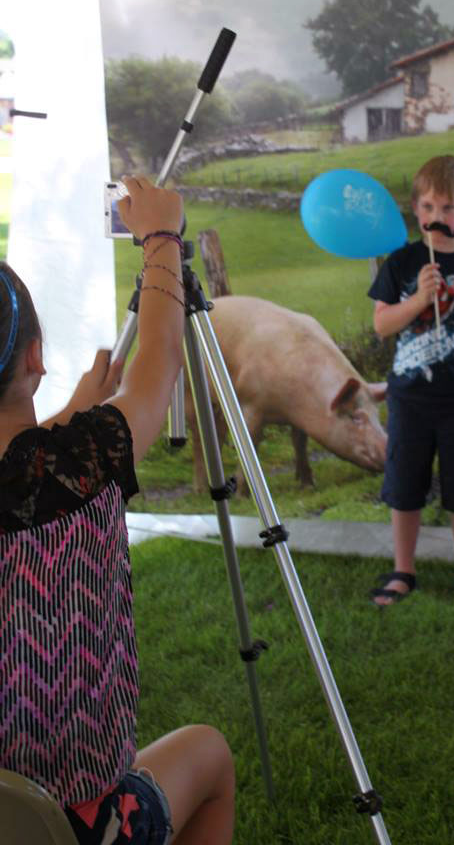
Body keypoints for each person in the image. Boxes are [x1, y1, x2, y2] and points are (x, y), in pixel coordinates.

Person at [0, 176, 235, 844]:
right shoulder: (87, 457)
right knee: (210, 754)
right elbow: (156, 369)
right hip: (80, 821)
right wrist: (162, 238)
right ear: (36, 357)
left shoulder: (74, 448)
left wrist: (66, 416)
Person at [368, 155, 454, 607]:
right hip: (410, 399)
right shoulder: (402, 263)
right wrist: (418, 300)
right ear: (415, 209)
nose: (436, 218)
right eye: (427, 207)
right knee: (404, 486)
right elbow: (382, 325)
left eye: (447, 209)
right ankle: (402, 570)